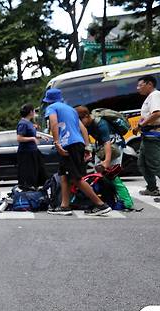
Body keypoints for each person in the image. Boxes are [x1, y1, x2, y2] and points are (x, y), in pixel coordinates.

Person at [43, 88, 111, 216]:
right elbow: (83, 129)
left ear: (49, 101)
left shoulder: (52, 107)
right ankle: (64, 206)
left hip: (68, 144)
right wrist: (87, 147)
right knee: (64, 175)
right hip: (78, 143)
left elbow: (53, 123)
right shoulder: (71, 109)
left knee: (76, 178)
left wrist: (56, 142)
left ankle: (101, 205)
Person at [77, 105, 134, 209]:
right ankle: (108, 199)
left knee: (112, 175)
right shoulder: (87, 125)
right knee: (101, 176)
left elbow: (107, 143)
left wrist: (107, 161)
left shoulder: (101, 124)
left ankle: (127, 202)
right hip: (103, 148)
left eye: (80, 119)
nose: (79, 123)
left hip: (114, 147)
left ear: (86, 116)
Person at [16, 104, 48, 189]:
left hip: (33, 151)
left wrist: (40, 137)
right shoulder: (23, 123)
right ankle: (29, 190)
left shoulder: (29, 123)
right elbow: (19, 138)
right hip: (26, 152)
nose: (34, 112)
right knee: (29, 174)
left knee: (39, 171)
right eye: (34, 110)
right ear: (30, 112)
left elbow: (30, 134)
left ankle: (36, 189)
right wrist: (33, 139)